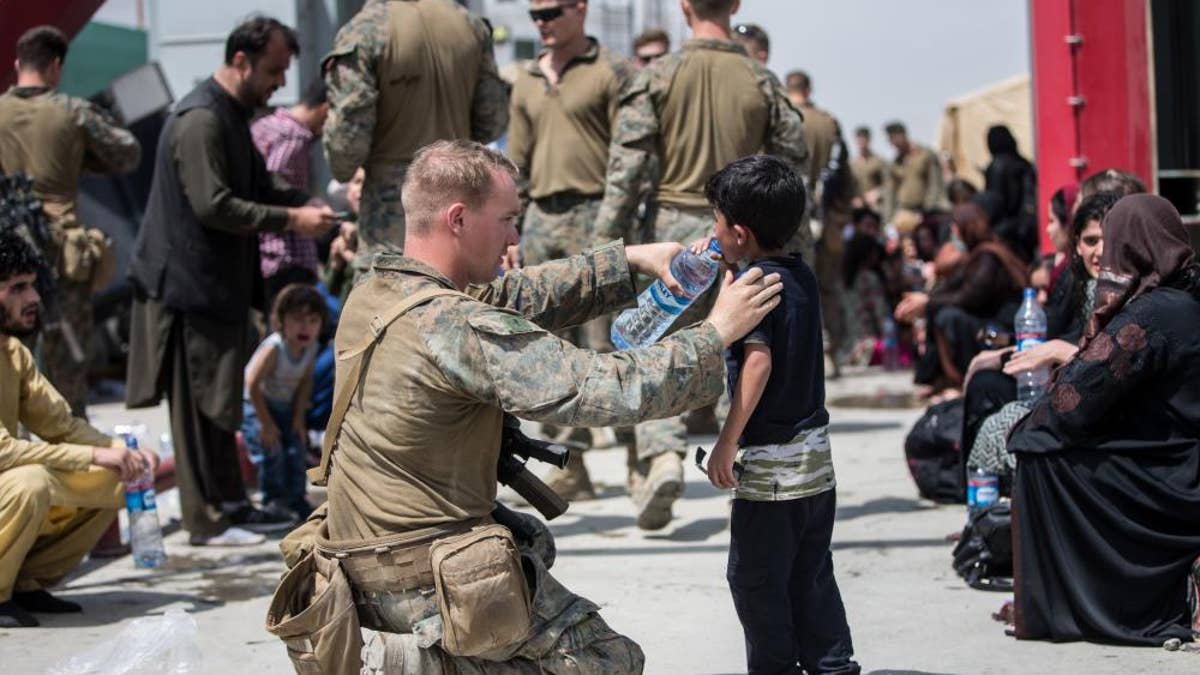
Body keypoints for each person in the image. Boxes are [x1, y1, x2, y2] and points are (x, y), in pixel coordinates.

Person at [277, 139, 783, 673]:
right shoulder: (455, 326)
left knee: (527, 541)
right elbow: (599, 388)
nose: (515, 236)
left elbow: (520, 294)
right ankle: (415, 664)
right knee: (609, 661)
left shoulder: (379, 293)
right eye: (507, 220)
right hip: (414, 577)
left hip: (359, 561)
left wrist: (632, 260)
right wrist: (716, 333)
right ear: (458, 219)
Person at [593, 0, 809, 529]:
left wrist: (607, 241)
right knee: (737, 344)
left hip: (672, 231)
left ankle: (663, 453)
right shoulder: (760, 79)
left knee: (661, 347)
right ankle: (734, 454)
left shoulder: (659, 76)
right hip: (744, 234)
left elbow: (629, 167)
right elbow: (795, 154)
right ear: (734, 6)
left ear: (684, 7)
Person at [126, 16, 337, 546]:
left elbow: (256, 183)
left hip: (217, 285)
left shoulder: (233, 115)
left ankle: (231, 505)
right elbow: (213, 203)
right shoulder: (200, 119)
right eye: (272, 71)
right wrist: (292, 221)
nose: (279, 84)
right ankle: (205, 519)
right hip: (188, 287)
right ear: (241, 61)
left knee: (219, 403)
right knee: (199, 407)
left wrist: (302, 203)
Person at [1009, 194, 1200, 645]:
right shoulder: (1184, 298)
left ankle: (1085, 607)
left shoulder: (1149, 314)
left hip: (1174, 478)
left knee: (1037, 453)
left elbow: (1070, 408)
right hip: (1181, 461)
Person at [698, 155, 860, 675]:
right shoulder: (799, 274)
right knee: (810, 575)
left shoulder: (755, 286)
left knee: (756, 582)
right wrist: (729, 273)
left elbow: (759, 362)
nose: (712, 231)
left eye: (717, 223)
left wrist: (727, 441)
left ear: (739, 233)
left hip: (770, 471)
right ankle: (833, 667)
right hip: (816, 464)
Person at [506, 0, 636, 499]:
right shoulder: (525, 80)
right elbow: (514, 165)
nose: (541, 23)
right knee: (548, 351)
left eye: (551, 12)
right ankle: (570, 462)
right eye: (534, 14)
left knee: (608, 345)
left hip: (597, 212)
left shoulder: (611, 72)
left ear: (580, 9)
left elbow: (629, 156)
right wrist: (510, 229)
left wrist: (617, 226)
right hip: (542, 216)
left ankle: (637, 457)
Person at [0, 230, 157, 628]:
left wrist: (119, 449)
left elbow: (61, 425)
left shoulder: (12, 352)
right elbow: (3, 453)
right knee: (30, 483)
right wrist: (94, 453)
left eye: (32, 287)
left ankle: (24, 582)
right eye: (18, 288)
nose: (34, 299)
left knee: (119, 476)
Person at [0, 25, 142, 417]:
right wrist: (80, 159)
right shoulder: (72, 111)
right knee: (67, 373)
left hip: (7, 258)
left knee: (7, 365)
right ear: (56, 67)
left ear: (17, 64)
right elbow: (127, 153)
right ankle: (70, 457)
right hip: (62, 257)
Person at [323, 0, 509, 265]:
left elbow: (346, 148)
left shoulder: (365, 30)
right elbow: (493, 121)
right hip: (459, 203)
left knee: (387, 301)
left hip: (394, 216)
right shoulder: (470, 26)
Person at [962, 191, 1121, 479]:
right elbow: (1061, 333)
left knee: (998, 406)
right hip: (1068, 385)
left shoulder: (1129, 292)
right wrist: (1006, 351)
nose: (1099, 251)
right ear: (1077, 244)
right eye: (1091, 241)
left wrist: (1055, 352)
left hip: (1102, 405)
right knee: (987, 386)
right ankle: (984, 501)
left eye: (1108, 240)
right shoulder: (1082, 283)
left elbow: (1106, 357)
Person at [909, 202, 1026, 393]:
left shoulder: (988, 257)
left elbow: (970, 296)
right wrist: (926, 301)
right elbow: (952, 289)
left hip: (1000, 334)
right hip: (988, 326)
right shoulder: (976, 255)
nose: (953, 232)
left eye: (956, 227)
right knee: (940, 311)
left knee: (949, 317)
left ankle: (958, 380)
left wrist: (928, 303)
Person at [785, 69, 851, 377]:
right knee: (828, 286)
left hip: (795, 217)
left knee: (797, 283)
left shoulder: (785, 118)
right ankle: (831, 351)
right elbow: (843, 175)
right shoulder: (829, 122)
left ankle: (805, 352)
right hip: (828, 217)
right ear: (809, 90)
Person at [241, 284, 326, 522]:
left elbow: (305, 384)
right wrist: (266, 423)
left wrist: (299, 418)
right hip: (258, 407)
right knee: (272, 451)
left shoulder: (311, 349)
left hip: (285, 408)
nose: (305, 327)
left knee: (296, 448)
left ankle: (297, 498)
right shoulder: (275, 347)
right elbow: (252, 384)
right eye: (298, 320)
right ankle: (273, 502)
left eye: (312, 320)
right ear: (281, 321)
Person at [251, 78, 331, 307]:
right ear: (326, 110)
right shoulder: (294, 138)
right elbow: (274, 188)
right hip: (285, 258)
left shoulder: (268, 124)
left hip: (264, 256)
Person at [983, 125, 1038, 262]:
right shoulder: (1025, 164)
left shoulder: (996, 167)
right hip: (1028, 229)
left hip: (1007, 232)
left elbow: (994, 203)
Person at [881, 121, 943, 227]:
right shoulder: (894, 164)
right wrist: (888, 219)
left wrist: (929, 208)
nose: (893, 143)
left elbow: (935, 184)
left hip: (925, 210)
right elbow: (890, 193)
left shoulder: (925, 155)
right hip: (904, 211)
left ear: (903, 135)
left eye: (894, 138)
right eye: (890, 140)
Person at [850, 126, 885, 209]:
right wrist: (853, 198)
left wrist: (877, 192)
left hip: (876, 206)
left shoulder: (879, 162)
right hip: (857, 207)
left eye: (864, 139)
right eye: (859, 139)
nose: (862, 142)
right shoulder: (851, 164)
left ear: (869, 140)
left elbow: (888, 184)